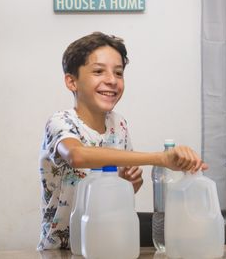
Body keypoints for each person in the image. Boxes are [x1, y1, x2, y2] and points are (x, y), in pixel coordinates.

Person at [38, 32, 208, 250]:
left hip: (108, 245)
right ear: (72, 81)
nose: (111, 80)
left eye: (118, 73)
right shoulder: (60, 122)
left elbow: (117, 195)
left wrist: (130, 184)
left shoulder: (119, 125)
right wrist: (160, 158)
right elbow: (77, 156)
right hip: (64, 250)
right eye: (98, 71)